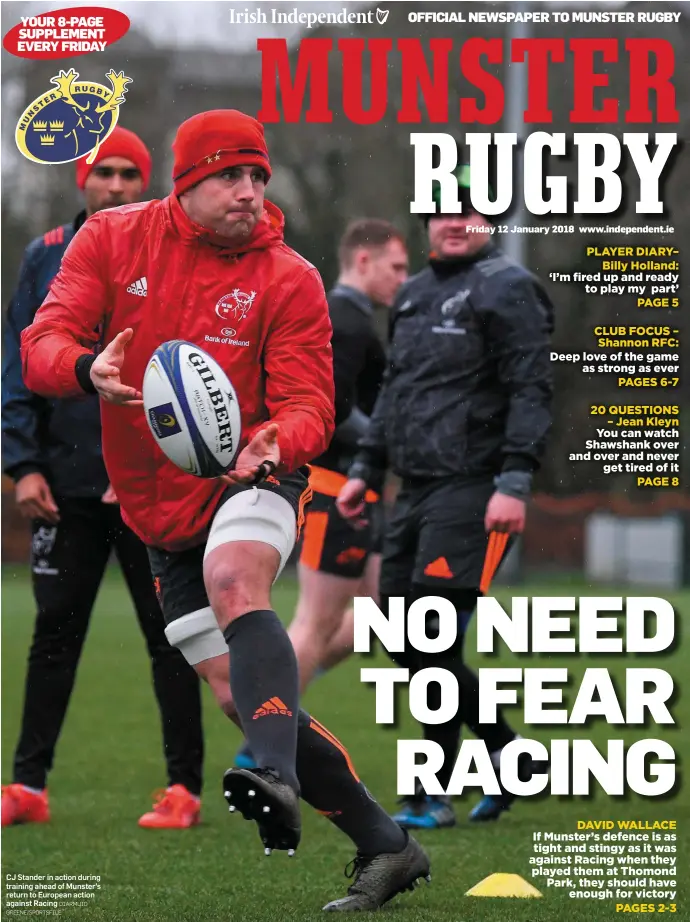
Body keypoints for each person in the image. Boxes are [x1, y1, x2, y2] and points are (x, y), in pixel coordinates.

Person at [20, 110, 430, 912]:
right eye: (229, 176)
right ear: (186, 181)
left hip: (257, 474)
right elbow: (42, 341)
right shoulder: (109, 240)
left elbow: (312, 399)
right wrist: (81, 366)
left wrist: (278, 438)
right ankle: (389, 848)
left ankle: (269, 772)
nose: (249, 191)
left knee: (237, 578)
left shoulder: (289, 277)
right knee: (240, 693)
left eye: (258, 177)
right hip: (153, 508)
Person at [338, 165, 554, 827]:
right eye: (443, 210)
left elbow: (530, 389)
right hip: (413, 491)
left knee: (428, 639)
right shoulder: (412, 295)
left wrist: (514, 480)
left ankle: (431, 792)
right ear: (426, 220)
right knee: (405, 640)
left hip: (474, 489)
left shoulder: (511, 289)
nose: (456, 220)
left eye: (471, 209)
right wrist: (366, 469)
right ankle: (509, 756)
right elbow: (398, 392)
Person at [1, 127, 205, 830]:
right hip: (67, 482)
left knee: (170, 633)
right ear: (82, 180)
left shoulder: (174, 251)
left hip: (152, 481)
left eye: (129, 173)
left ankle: (185, 789)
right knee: (54, 631)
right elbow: (18, 361)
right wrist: (23, 464)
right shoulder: (45, 257)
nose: (116, 185)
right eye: (104, 172)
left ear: (144, 181)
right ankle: (27, 787)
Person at [234, 219, 408, 771]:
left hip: (361, 492)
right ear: (363, 260)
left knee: (386, 615)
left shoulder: (358, 320)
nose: (404, 279)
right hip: (336, 490)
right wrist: (391, 439)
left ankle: (274, 716)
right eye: (396, 267)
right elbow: (329, 410)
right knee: (313, 622)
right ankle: (265, 737)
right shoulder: (345, 321)